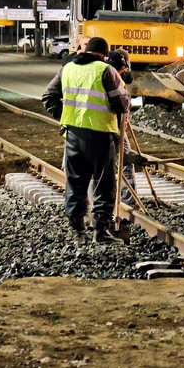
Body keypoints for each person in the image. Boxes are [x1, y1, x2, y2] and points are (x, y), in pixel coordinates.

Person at [42, 36, 131, 243]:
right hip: (99, 135)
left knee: (75, 183)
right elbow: (122, 104)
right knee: (103, 182)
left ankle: (78, 231)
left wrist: (65, 116)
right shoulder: (105, 70)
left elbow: (48, 97)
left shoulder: (68, 69)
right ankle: (100, 231)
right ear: (104, 54)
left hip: (73, 135)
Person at [106, 49, 137, 205]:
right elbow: (121, 104)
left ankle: (107, 198)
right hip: (114, 127)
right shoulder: (116, 80)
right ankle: (127, 199)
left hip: (100, 128)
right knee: (124, 162)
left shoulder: (103, 74)